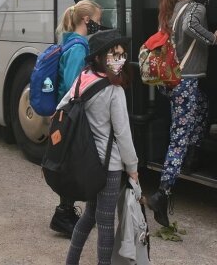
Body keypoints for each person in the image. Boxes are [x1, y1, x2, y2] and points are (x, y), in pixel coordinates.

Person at [145, 0, 217, 227]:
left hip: (170, 81)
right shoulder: (195, 9)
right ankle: (163, 192)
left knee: (203, 106)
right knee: (178, 135)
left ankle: (193, 153)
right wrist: (214, 38)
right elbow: (192, 27)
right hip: (185, 81)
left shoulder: (167, 10)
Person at [63, 29, 138, 265]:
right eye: (113, 54)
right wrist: (133, 167)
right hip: (109, 165)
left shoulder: (81, 79)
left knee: (88, 217)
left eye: (122, 54)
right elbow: (123, 134)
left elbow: (60, 109)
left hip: (86, 162)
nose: (120, 59)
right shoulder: (114, 90)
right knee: (106, 223)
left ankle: (71, 261)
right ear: (98, 57)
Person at [49, 0, 104, 237]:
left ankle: (66, 212)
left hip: (70, 113)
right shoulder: (79, 47)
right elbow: (75, 83)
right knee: (71, 163)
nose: (99, 26)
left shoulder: (72, 43)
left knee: (70, 161)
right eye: (98, 21)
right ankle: (63, 214)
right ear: (86, 20)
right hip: (73, 114)